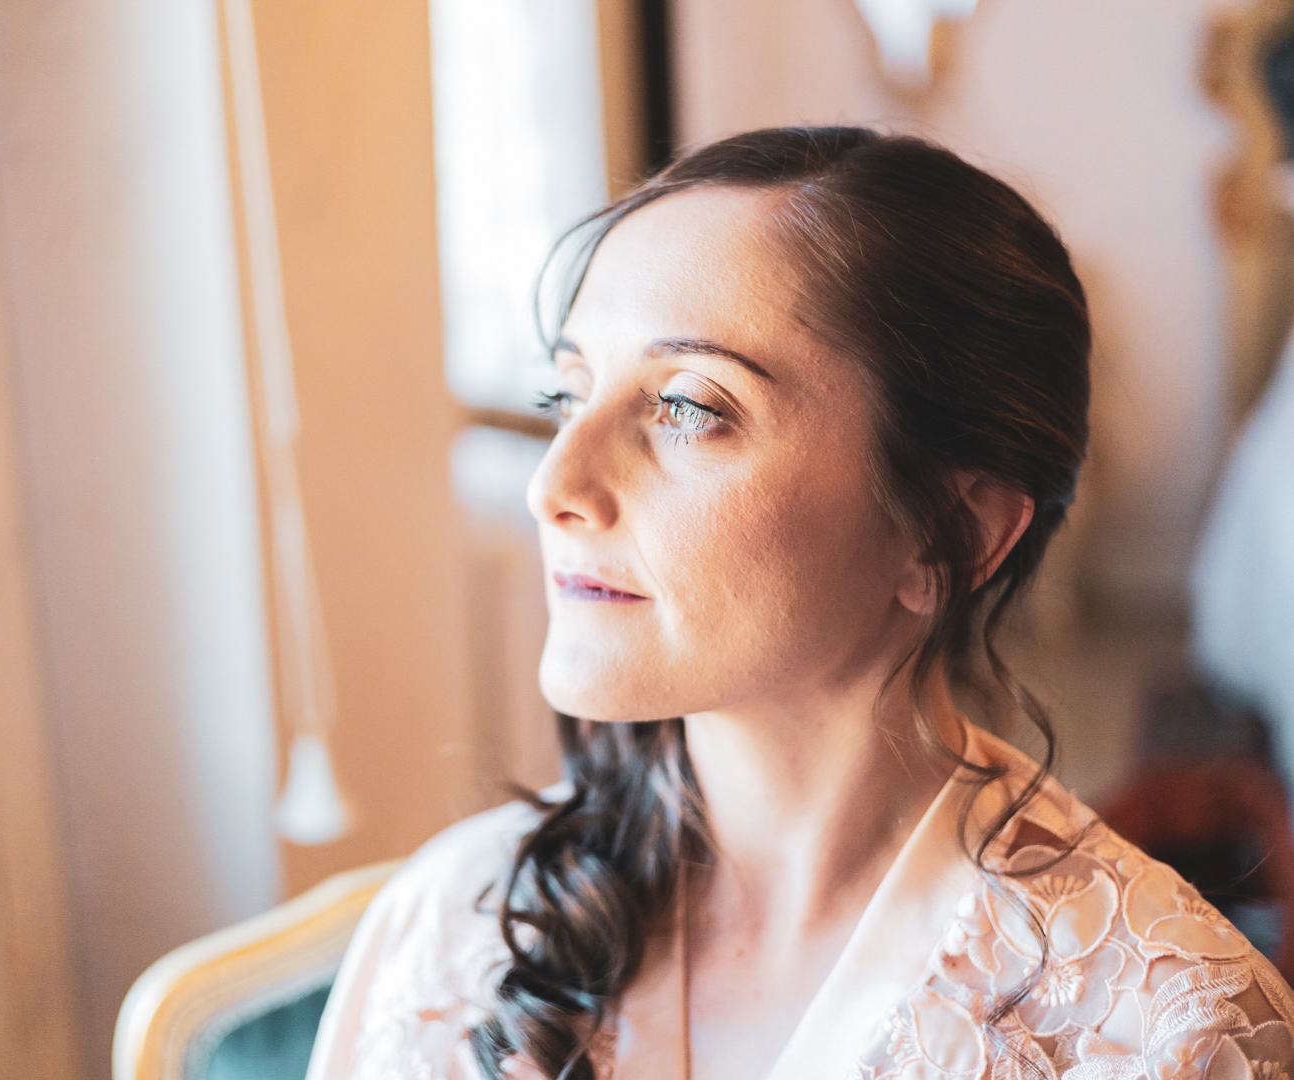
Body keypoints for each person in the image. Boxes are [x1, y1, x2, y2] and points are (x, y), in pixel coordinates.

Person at [305, 128, 1294, 1079]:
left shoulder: (1168, 1036)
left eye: (687, 406)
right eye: (568, 394)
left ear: (949, 531)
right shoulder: (452, 933)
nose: (553, 485)